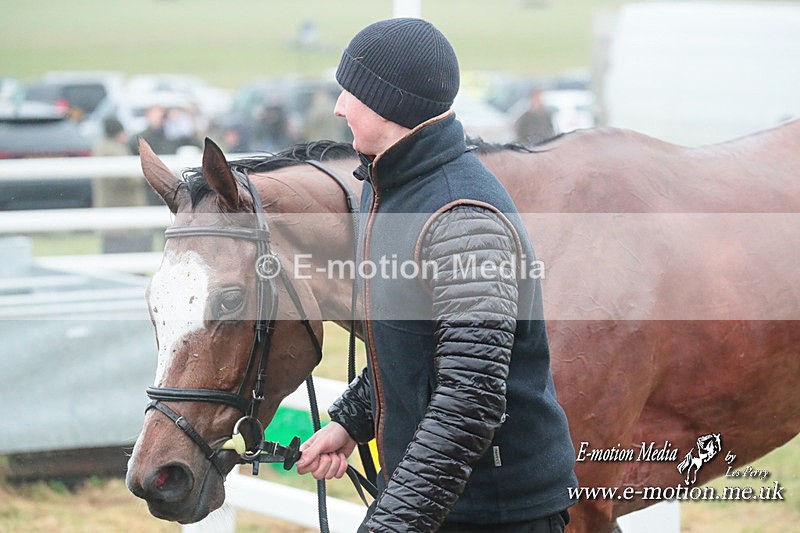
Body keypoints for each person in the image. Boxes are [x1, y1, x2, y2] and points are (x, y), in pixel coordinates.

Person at [295, 18, 578, 532]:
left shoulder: (461, 217)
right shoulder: (392, 184)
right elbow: (416, 345)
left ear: (389, 103)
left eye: (350, 91)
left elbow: (469, 395)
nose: (338, 106)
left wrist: (391, 524)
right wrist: (351, 421)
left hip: (496, 514)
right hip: (439, 504)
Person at [92, 117, 151, 253]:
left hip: (112, 211)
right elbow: (129, 179)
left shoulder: (101, 148)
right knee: (128, 250)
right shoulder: (115, 151)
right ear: (120, 133)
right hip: (124, 212)